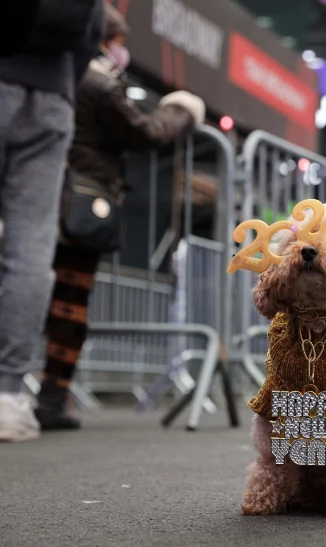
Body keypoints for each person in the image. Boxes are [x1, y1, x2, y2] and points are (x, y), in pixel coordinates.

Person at [35, 4, 206, 431]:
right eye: (119, 41)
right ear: (103, 38)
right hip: (79, 207)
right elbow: (144, 132)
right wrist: (182, 109)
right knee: (69, 304)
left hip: (34, 198)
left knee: (25, 288)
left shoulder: (50, 68)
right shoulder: (98, 81)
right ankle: (51, 398)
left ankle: (17, 392)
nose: (122, 51)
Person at [0, 0, 105, 442]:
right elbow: (92, 29)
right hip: (51, 96)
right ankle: (6, 395)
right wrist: (61, 84)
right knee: (31, 248)